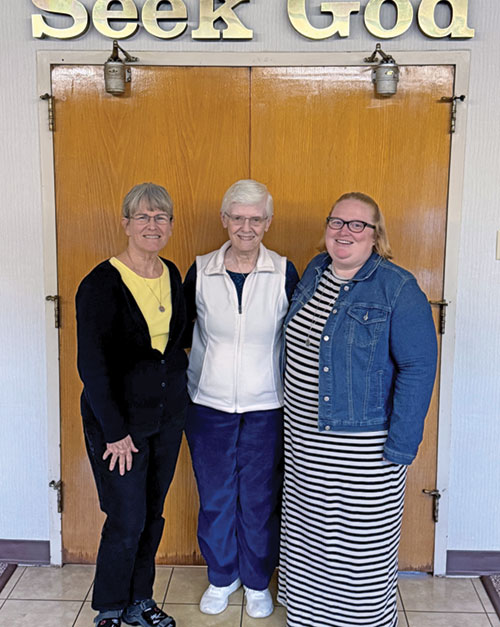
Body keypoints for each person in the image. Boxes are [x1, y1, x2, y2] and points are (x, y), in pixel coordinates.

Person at [278, 192, 438, 627]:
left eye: (357, 225)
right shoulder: (315, 272)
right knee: (310, 537)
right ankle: (309, 618)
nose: (344, 232)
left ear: (375, 235)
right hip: (305, 439)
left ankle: (360, 620)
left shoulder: (397, 287)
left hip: (364, 447)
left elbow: (419, 367)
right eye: (337, 222)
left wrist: (401, 446)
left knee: (358, 545)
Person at [183, 179, 299, 619]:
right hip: (207, 406)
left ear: (268, 223)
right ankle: (221, 576)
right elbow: (179, 336)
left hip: (268, 406)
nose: (246, 227)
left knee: (258, 498)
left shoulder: (285, 271)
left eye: (255, 219)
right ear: (223, 220)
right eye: (237, 217)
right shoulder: (200, 270)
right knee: (215, 496)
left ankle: (255, 581)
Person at [76, 183, 188, 627]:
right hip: (118, 426)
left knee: (152, 516)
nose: (152, 225)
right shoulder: (101, 283)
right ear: (125, 223)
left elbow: (173, 347)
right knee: (126, 518)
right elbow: (93, 367)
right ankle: (109, 608)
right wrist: (116, 432)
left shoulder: (172, 273)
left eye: (161, 217)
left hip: (166, 418)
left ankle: (140, 600)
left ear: (170, 226)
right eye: (142, 216)